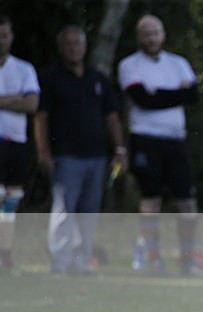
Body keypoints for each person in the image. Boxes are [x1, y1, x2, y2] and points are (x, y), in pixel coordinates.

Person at [35, 25, 126, 275]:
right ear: (60, 48)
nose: (74, 48)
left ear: (85, 47)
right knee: (64, 211)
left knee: (88, 214)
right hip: (65, 157)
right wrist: (43, 152)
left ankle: (81, 262)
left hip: (97, 158)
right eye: (69, 43)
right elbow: (41, 117)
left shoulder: (97, 79)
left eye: (78, 43)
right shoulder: (50, 79)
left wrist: (119, 148)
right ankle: (60, 263)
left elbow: (112, 116)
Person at [118, 15, 203, 276]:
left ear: (163, 34)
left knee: (187, 200)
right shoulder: (129, 65)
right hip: (145, 139)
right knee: (150, 199)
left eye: (155, 32)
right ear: (139, 37)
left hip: (176, 140)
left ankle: (187, 259)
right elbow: (143, 100)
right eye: (146, 34)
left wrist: (160, 93)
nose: (151, 38)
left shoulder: (178, 63)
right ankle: (154, 257)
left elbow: (193, 95)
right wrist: (175, 93)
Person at [0, 15, 39, 276]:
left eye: (4, 35)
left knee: (11, 202)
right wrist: (14, 99)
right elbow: (21, 101)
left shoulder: (24, 69)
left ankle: (6, 257)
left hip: (16, 145)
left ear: (11, 36)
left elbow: (31, 104)